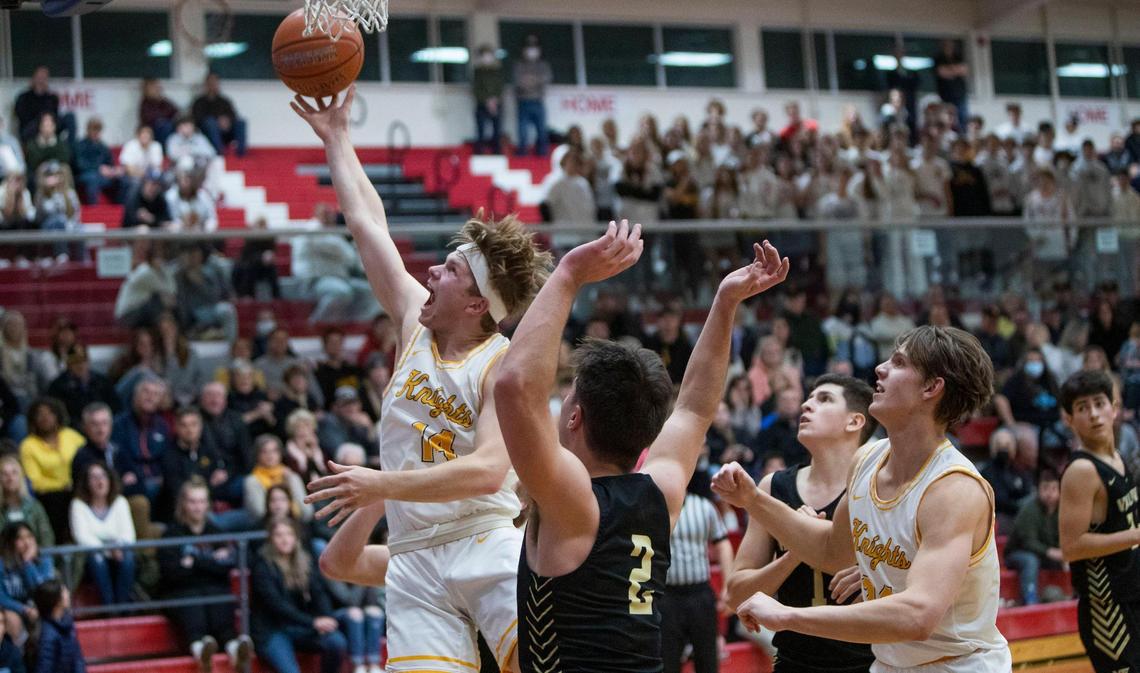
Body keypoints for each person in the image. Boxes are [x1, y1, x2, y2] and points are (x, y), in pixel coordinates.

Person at [294, 85, 552, 673]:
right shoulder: (415, 321)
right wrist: (337, 138)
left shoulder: (502, 364)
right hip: (413, 558)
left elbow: (489, 473)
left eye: (452, 269)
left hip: (485, 539)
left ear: (476, 304)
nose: (432, 270)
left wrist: (380, 485)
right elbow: (367, 224)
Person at [494, 225, 789, 672]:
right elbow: (693, 408)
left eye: (569, 398)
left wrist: (570, 273)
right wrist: (726, 303)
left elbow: (514, 385)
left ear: (575, 417)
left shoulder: (572, 499)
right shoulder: (661, 490)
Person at [713, 324, 1010, 672]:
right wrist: (753, 499)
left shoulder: (953, 488)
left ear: (932, 387)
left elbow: (917, 615)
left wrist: (788, 616)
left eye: (898, 363)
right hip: (889, 664)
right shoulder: (866, 460)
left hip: (958, 665)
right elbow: (830, 551)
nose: (880, 368)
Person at [726, 375, 877, 673]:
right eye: (809, 398)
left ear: (855, 421)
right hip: (794, 661)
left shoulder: (877, 487)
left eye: (824, 399)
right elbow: (736, 595)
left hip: (870, 663)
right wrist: (795, 554)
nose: (807, 405)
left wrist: (876, 575)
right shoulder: (773, 487)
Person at [1058, 370, 1140, 673]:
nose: (1093, 414)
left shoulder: (1117, 457)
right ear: (1069, 419)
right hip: (1108, 607)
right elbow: (1072, 547)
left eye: (1098, 403)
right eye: (1082, 408)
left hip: (1130, 593)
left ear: (1114, 408)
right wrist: (1136, 536)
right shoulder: (1081, 471)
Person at [158, 478, 253, 673]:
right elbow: (172, 573)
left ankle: (234, 649)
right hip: (182, 591)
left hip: (211, 588)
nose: (197, 507)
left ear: (208, 504)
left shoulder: (216, 531)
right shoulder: (171, 534)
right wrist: (209, 560)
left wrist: (194, 561)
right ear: (183, 504)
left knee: (219, 595)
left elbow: (225, 567)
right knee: (193, 599)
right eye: (193, 501)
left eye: (201, 501)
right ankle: (200, 651)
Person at [662, 467, 734, 673]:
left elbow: (723, 543)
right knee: (667, 662)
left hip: (700, 594)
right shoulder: (656, 507)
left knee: (708, 660)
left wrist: (728, 585)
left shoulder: (704, 507)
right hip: (666, 597)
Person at [251, 519, 346, 673]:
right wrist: (313, 622)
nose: (284, 539)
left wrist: (326, 618)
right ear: (271, 539)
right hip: (273, 630)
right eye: (279, 535)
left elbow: (319, 594)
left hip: (302, 627)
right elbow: (277, 605)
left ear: (296, 538)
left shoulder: (305, 561)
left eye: (289, 534)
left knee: (336, 641)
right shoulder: (262, 565)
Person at [290, 203, 380, 324]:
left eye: (330, 213)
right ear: (316, 214)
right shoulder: (311, 227)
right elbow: (334, 247)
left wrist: (341, 247)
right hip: (313, 282)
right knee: (341, 292)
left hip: (340, 279)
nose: (328, 216)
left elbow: (350, 257)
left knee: (371, 291)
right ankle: (316, 325)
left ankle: (356, 324)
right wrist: (341, 246)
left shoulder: (334, 232)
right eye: (324, 213)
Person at [69, 461, 136, 605]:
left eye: (103, 476)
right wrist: (109, 549)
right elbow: (82, 537)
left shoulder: (120, 502)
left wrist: (117, 547)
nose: (100, 481)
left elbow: (128, 535)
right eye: (94, 477)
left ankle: (122, 607)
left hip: (118, 554)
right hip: (90, 559)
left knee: (128, 557)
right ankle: (109, 607)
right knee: (97, 559)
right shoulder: (78, 505)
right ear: (86, 483)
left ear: (110, 479)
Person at [18, 398, 84, 542]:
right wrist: (62, 485)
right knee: (58, 501)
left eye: (50, 413)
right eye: (40, 414)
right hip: (49, 496)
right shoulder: (28, 445)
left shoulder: (71, 436)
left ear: (57, 415)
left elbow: (86, 459)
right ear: (33, 419)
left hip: (78, 488)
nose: (45, 418)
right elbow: (34, 481)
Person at [1005, 468, 1064, 606]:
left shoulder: (1062, 510)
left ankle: (1070, 595)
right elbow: (1027, 542)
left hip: (1044, 554)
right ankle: (1030, 600)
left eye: (1054, 488)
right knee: (1030, 560)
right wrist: (1051, 552)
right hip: (1017, 553)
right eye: (1045, 488)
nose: (1050, 493)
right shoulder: (1029, 509)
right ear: (1038, 490)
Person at [0, 522, 55, 648]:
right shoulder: (2, 563)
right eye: (20, 538)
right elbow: (1, 596)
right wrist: (23, 609)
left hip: (38, 605)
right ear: (10, 541)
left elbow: (43, 591)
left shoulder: (44, 560)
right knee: (12, 619)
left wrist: (27, 563)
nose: (27, 542)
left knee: (50, 615)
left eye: (29, 536)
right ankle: (19, 661)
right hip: (12, 607)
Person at [175, 244, 237, 342]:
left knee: (227, 310)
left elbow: (214, 296)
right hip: (194, 312)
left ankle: (231, 347)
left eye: (196, 255)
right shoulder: (180, 275)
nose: (194, 258)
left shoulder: (208, 271)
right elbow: (180, 300)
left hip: (210, 308)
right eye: (191, 255)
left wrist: (199, 283)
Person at [244, 435, 310, 522]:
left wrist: (289, 484)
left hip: (295, 524)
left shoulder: (292, 477)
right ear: (257, 455)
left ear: (280, 453)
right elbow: (260, 513)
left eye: (274, 451)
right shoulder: (252, 481)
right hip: (266, 526)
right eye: (264, 451)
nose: (270, 455)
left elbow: (307, 512)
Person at [47, 345, 119, 426]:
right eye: (75, 362)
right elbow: (57, 414)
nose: (80, 365)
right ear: (68, 364)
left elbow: (116, 408)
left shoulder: (102, 382)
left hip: (101, 425)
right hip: (73, 429)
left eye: (83, 361)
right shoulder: (57, 386)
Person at [29, 580, 84, 673]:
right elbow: (44, 668)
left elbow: (77, 659)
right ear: (56, 601)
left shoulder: (68, 624)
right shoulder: (47, 635)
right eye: (64, 592)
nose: (68, 593)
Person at [0, 457, 53, 549]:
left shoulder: (34, 506)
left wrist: (36, 552)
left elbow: (46, 536)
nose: (10, 478)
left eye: (14, 473)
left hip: (35, 557)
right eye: (5, 474)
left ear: (21, 477)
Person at [513, 35, 552, 157]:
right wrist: (533, 81)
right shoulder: (519, 65)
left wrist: (530, 80)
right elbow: (518, 81)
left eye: (534, 48)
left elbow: (546, 78)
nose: (532, 51)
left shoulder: (543, 65)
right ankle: (522, 152)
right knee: (522, 130)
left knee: (541, 129)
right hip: (523, 100)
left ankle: (542, 152)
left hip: (538, 100)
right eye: (529, 48)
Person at [13, 67, 76, 144]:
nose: (41, 81)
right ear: (33, 79)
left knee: (70, 117)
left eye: (44, 78)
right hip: (31, 128)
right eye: (39, 78)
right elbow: (21, 116)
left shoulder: (52, 97)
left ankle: (70, 149)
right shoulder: (24, 97)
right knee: (39, 123)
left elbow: (55, 115)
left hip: (49, 124)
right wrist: (41, 122)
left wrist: (47, 123)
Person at [191, 73, 247, 157]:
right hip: (208, 132)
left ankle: (241, 153)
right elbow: (198, 118)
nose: (213, 85)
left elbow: (233, 115)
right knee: (210, 122)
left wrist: (227, 121)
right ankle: (220, 152)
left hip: (226, 130)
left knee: (241, 122)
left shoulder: (224, 101)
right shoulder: (199, 101)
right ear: (206, 85)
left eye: (215, 82)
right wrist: (217, 121)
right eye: (210, 83)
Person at [74, 117, 123, 205]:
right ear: (88, 130)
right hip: (84, 175)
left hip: (102, 177)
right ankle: (93, 209)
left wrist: (113, 171)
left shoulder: (103, 146)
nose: (96, 132)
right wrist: (98, 169)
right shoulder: (80, 145)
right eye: (94, 129)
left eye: (98, 130)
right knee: (93, 179)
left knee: (120, 179)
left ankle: (119, 207)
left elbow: (110, 163)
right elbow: (80, 165)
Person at [472, 45, 504, 155]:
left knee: (497, 129)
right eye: (484, 55)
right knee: (481, 129)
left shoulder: (497, 71)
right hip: (481, 104)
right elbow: (476, 89)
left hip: (496, 104)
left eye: (488, 55)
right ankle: (479, 151)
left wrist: (494, 100)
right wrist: (487, 101)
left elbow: (500, 88)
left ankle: (497, 150)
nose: (487, 57)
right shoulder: (477, 72)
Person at [138, 78, 179, 146]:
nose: (156, 89)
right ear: (146, 90)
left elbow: (175, 111)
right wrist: (165, 116)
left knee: (182, 126)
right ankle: (164, 150)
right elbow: (151, 118)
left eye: (157, 87)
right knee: (165, 125)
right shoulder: (145, 103)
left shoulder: (163, 101)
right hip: (154, 130)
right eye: (153, 87)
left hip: (168, 126)